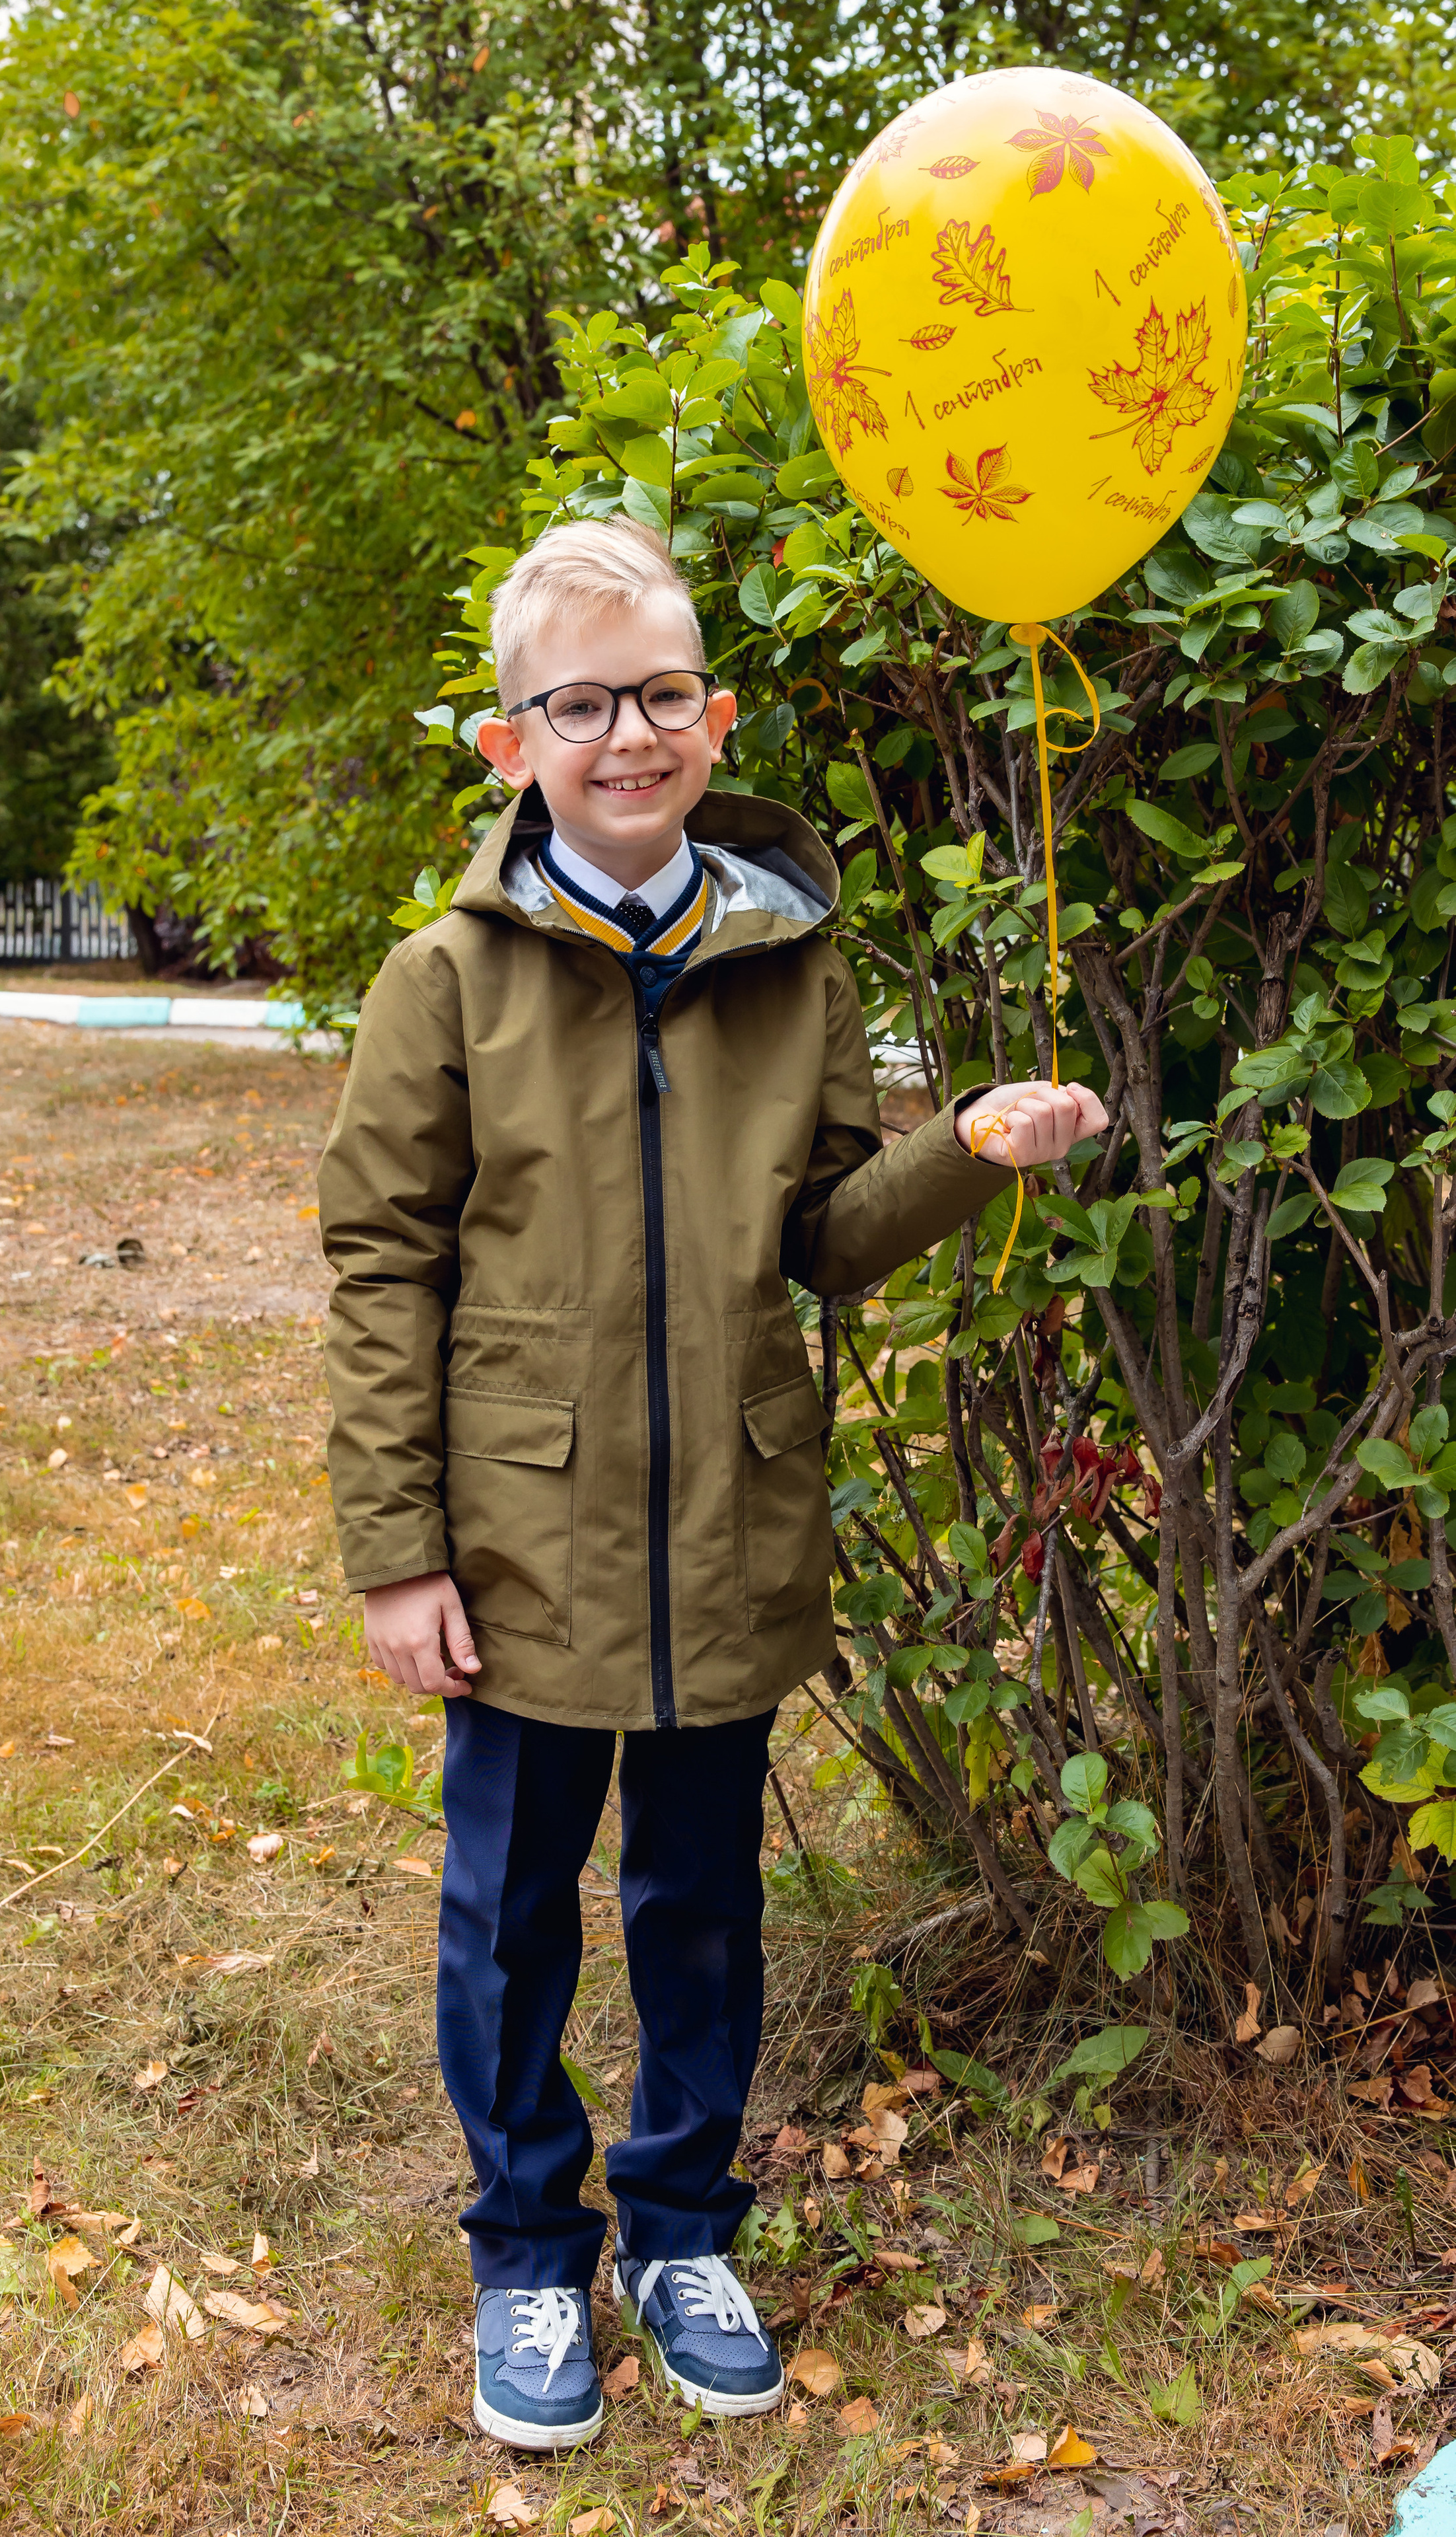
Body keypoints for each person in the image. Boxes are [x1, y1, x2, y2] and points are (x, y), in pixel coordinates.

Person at [317, 518, 1107, 2452]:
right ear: (513, 746)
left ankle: (681, 2227)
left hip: (725, 1525)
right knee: (511, 1906)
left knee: (701, 1896)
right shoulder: (450, 979)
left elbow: (825, 1237)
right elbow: (381, 1268)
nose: (628, 734)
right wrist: (397, 1551)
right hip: (518, 1540)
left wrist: (970, 1150)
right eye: (578, 705)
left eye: (661, 693)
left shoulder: (792, 964)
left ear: (712, 710)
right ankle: (526, 2251)